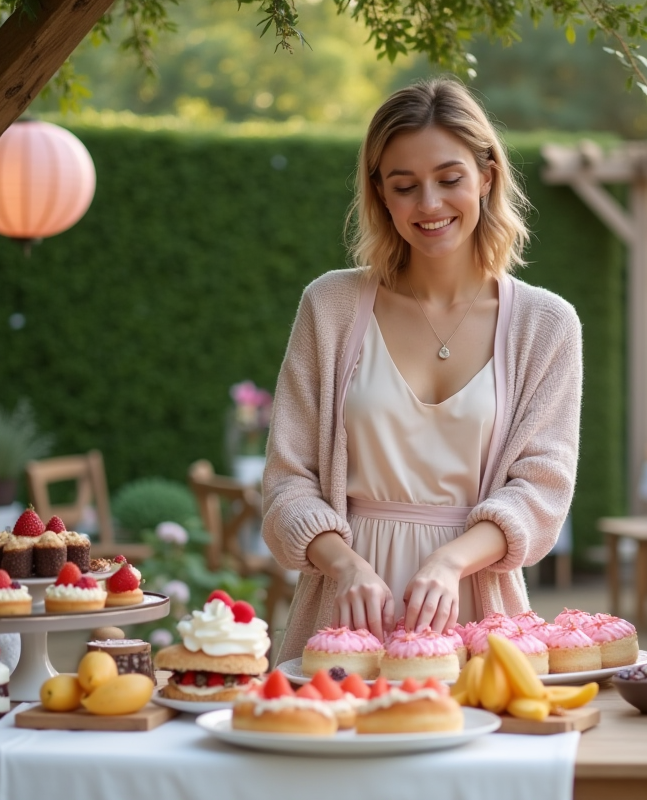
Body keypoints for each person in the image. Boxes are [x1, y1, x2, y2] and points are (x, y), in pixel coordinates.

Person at [262, 77, 582, 663]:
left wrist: (451, 559)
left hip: (479, 614)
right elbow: (287, 483)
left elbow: (542, 491)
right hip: (346, 612)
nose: (429, 204)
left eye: (449, 179)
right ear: (380, 194)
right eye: (405, 186)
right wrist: (344, 564)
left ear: (487, 177)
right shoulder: (330, 307)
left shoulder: (547, 324)